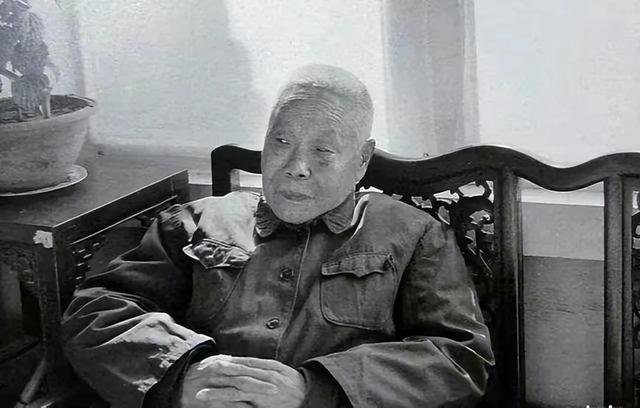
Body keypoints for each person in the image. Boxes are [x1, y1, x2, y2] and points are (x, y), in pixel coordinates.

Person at [61, 64, 494, 408]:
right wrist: (179, 374)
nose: (295, 167)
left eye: (323, 150)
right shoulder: (198, 220)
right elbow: (97, 310)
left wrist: (315, 390)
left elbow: (459, 357)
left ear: (361, 159)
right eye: (281, 142)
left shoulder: (414, 234)